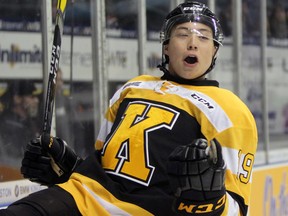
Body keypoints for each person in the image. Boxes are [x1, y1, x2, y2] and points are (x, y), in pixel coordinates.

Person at [0, 1, 258, 215]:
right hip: (85, 197)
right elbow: (104, 164)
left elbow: (237, 208)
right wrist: (70, 168)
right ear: (166, 46)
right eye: (183, 34)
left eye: (203, 37)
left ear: (214, 51)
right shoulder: (133, 87)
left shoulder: (230, 110)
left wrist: (208, 200)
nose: (193, 43)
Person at [0, 80, 41, 168]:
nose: (36, 100)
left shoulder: (27, 121)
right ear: (17, 99)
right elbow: (11, 159)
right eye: (31, 96)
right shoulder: (8, 125)